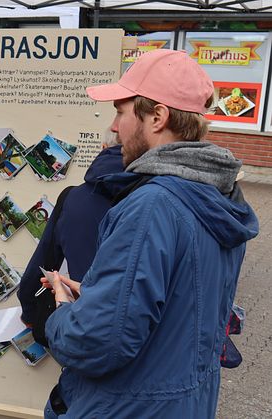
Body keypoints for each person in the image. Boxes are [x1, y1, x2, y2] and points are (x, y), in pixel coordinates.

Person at [43, 49, 259, 418]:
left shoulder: (151, 206)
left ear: (158, 117)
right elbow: (180, 309)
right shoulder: (219, 198)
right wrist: (100, 295)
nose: (114, 126)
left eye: (121, 112)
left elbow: (95, 343)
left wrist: (61, 312)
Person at [17, 144, 124, 330]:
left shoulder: (73, 197)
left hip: (84, 320)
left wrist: (30, 312)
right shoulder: (158, 197)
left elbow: (44, 260)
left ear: (104, 147)